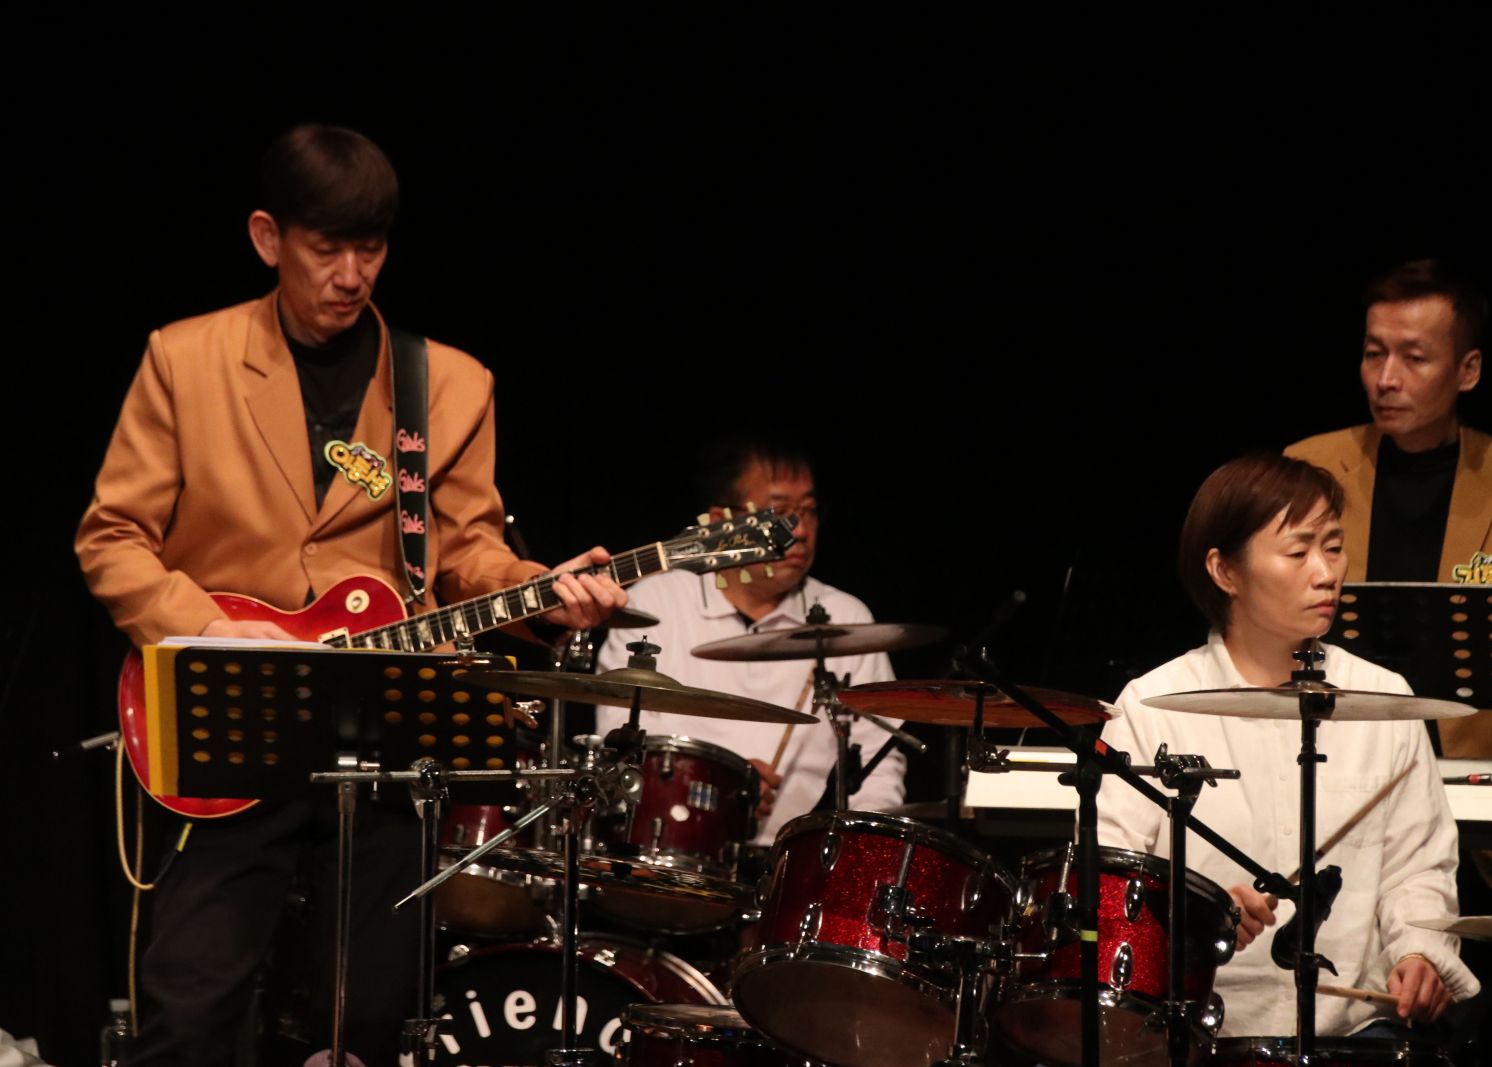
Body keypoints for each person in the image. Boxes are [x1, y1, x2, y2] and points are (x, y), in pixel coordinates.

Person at [75, 124, 627, 1065]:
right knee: (190, 1009)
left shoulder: (449, 383)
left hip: (385, 730)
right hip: (237, 714)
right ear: (268, 237)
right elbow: (112, 536)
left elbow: (468, 551)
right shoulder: (185, 357)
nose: (350, 275)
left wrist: (541, 591)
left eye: (369, 250)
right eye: (326, 249)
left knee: (366, 1021)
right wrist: (209, 627)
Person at [1096, 454, 1479, 1038]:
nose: (1326, 573)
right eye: (1299, 553)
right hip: (1194, 1032)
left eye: (1334, 547)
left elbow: (1419, 865)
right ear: (1225, 571)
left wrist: (1419, 953)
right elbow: (1111, 878)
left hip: (1352, 1033)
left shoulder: (1384, 699)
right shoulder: (1152, 704)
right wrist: (1199, 913)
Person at [1286, 259, 1492, 760]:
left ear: (1467, 370)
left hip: (1473, 753)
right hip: (1335, 746)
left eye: (1414, 358)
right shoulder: (1311, 466)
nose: (1386, 379)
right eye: (1374, 354)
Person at [594, 439, 906, 843]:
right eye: (779, 513)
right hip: (672, 850)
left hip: (801, 862)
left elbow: (879, 764)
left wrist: (857, 853)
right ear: (721, 520)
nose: (800, 531)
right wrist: (721, 787)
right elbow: (620, 746)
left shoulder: (846, 618)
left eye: (809, 511)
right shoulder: (656, 604)